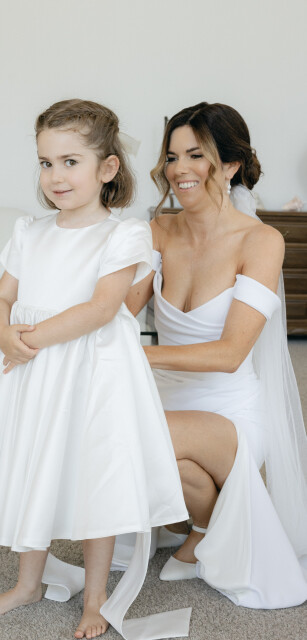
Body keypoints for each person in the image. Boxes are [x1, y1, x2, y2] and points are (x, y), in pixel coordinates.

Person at [0, 99, 190, 640]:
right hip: (31, 371)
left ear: (107, 168)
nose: (56, 176)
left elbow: (102, 308)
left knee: (93, 475)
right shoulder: (30, 231)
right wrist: (2, 333)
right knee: (29, 462)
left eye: (70, 162)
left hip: (89, 373)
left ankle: (96, 597)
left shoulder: (124, 234)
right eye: (45, 163)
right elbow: (1, 297)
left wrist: (26, 341)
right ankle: (27, 583)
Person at [126, 102, 307, 609]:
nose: (178, 169)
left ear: (229, 165)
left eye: (195, 155)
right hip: (167, 399)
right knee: (144, 446)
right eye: (171, 156)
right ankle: (206, 523)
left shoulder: (261, 241)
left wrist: (139, 359)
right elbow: (119, 313)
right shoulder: (159, 231)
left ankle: (208, 524)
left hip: (230, 412)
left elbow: (230, 354)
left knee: (131, 432)